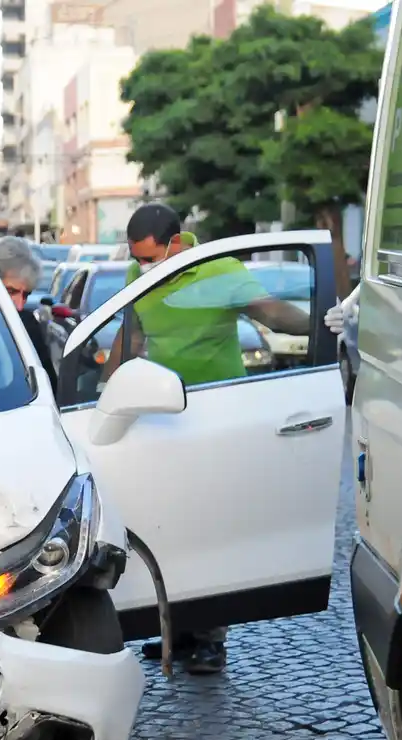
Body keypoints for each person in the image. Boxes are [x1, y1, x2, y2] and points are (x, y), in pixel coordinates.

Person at [115, 202, 315, 675]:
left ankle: (211, 638)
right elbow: (131, 338)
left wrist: (321, 321)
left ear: (176, 244)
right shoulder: (136, 275)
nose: (143, 267)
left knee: (210, 526)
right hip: (160, 415)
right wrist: (105, 391)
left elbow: (269, 313)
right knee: (170, 526)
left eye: (149, 257)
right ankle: (178, 632)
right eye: (137, 258)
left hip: (218, 415)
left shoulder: (221, 268)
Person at [0, 237, 58, 391]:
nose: (19, 305)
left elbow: (49, 386)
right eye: (11, 291)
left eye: (26, 295)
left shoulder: (27, 325)